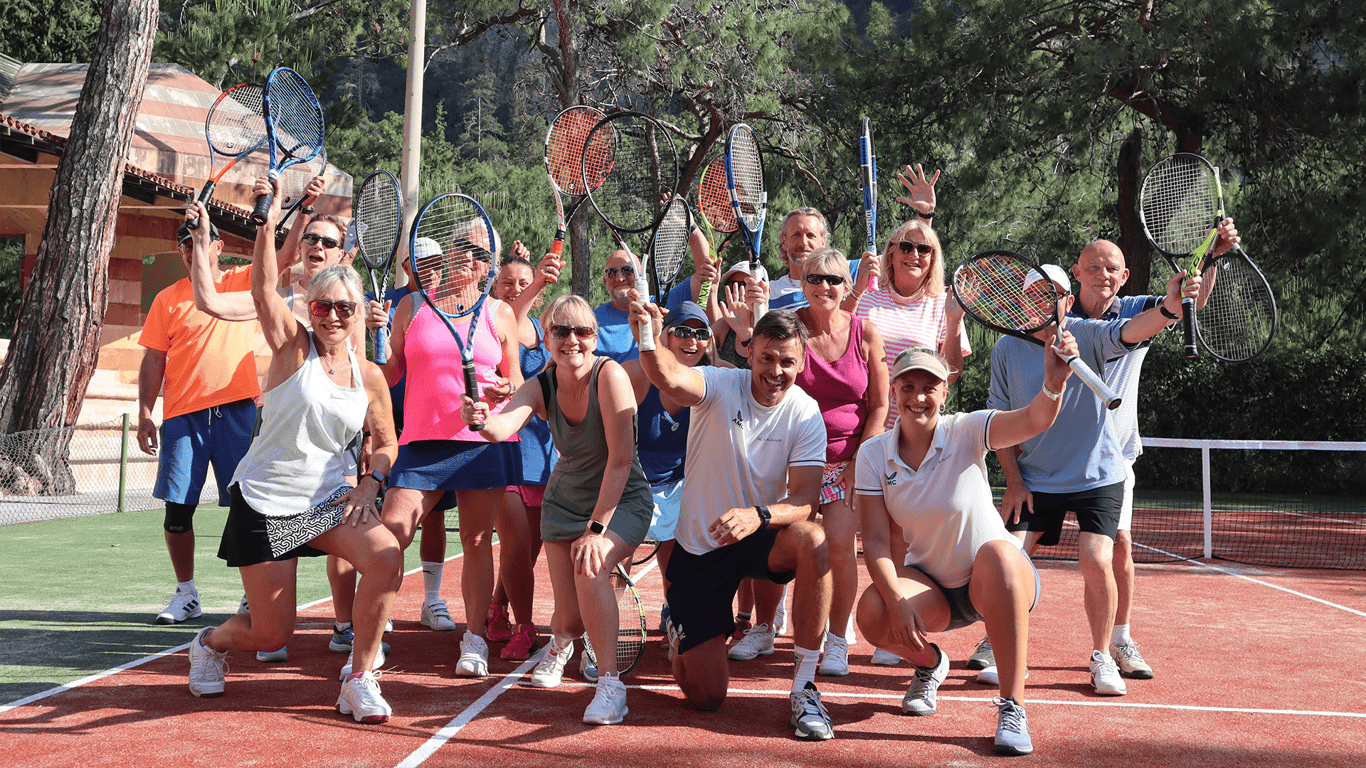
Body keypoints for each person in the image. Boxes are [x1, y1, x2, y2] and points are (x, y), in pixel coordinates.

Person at [181, 193, 402, 723]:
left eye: (343, 308)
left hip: (325, 502)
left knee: (386, 555)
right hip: (266, 503)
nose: (331, 316)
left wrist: (371, 482)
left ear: (355, 315)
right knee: (271, 634)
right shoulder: (292, 347)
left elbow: (387, 441)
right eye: (322, 306)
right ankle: (210, 643)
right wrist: (269, 223)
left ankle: (359, 676)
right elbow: (261, 289)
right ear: (311, 308)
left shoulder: (368, 374)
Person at [988, 260, 1200, 697]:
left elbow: (1131, 330)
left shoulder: (1085, 334)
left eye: (1054, 295)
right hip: (1035, 478)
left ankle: (1103, 654)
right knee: (1008, 560)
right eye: (1034, 294)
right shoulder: (1006, 350)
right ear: (1023, 299)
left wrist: (1170, 309)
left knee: (1097, 559)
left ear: (1067, 301)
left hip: (1098, 473)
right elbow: (1001, 422)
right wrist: (1013, 481)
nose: (1043, 302)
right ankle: (1001, 644)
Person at [854, 343, 1077, 756]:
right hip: (934, 588)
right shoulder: (872, 455)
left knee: (1000, 554)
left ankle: (1013, 707)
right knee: (871, 611)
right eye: (908, 385)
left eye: (929, 386)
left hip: (998, 579)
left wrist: (1053, 383)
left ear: (944, 392)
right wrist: (894, 599)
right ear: (896, 390)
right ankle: (929, 664)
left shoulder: (967, 429)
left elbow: (1035, 419)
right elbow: (876, 541)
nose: (918, 396)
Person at [633, 305, 836, 741]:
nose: (776, 370)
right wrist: (648, 338)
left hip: (757, 534)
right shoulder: (720, 385)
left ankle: (804, 686)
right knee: (707, 698)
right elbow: (668, 377)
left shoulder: (805, 412)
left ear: (801, 362)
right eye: (767, 358)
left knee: (814, 540)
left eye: (787, 361)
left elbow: (805, 500)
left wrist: (760, 515)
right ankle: (682, 638)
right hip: (701, 549)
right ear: (749, 355)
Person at [460, 294, 653, 725]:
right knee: (569, 616)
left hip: (621, 499)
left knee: (591, 567)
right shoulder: (541, 384)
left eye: (582, 331)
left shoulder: (611, 375)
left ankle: (610, 686)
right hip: (564, 504)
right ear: (546, 338)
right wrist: (478, 417)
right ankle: (560, 642)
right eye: (561, 331)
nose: (572, 340)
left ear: (595, 336)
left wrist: (597, 529)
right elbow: (500, 427)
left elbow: (621, 461)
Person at [1066, 222, 1240, 681]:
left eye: (1112, 268)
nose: (1103, 274)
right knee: (1015, 548)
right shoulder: (1058, 318)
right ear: (1076, 273)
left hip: (1115, 458)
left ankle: (1119, 639)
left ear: (1124, 277)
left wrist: (1213, 258)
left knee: (1119, 546)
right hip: (1055, 457)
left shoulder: (1137, 307)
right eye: (1094, 267)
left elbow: (1187, 301)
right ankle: (996, 633)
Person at [374, 220, 524, 678]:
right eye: (462, 246)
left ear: (489, 268)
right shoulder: (411, 306)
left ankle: (474, 639)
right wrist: (376, 341)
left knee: (478, 541)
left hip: (481, 443)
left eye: (481, 254)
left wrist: (501, 393)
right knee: (389, 535)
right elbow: (390, 375)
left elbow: (516, 381)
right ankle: (372, 636)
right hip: (420, 442)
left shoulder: (501, 313)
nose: (469, 257)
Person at [848, 164, 967, 667]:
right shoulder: (868, 296)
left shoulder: (941, 305)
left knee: (902, 533)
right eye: (906, 246)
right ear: (890, 253)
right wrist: (855, 288)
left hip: (921, 438)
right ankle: (855, 626)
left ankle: (899, 623)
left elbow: (952, 370)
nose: (915, 254)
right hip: (868, 431)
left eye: (925, 249)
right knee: (863, 533)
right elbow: (836, 340)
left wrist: (927, 216)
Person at [137, 218, 260, 625]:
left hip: (238, 412)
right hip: (182, 417)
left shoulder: (241, 282)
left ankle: (252, 593)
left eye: (200, 240)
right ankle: (186, 594)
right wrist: (144, 412)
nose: (192, 248)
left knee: (246, 508)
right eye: (185, 243)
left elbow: (281, 261)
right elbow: (153, 358)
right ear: (179, 252)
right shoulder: (166, 299)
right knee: (177, 510)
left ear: (218, 245)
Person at [785, 247, 888, 676]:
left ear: (848, 287)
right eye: (814, 279)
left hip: (849, 462)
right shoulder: (790, 328)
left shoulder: (865, 333)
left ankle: (838, 640)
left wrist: (856, 465)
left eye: (833, 280)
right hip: (796, 462)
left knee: (842, 552)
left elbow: (879, 407)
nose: (823, 287)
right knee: (791, 552)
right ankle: (767, 629)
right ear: (803, 284)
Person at [482, 250, 562, 661]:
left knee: (526, 550)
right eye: (507, 282)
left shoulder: (541, 331)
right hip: (503, 448)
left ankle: (496, 609)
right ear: (494, 287)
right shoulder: (492, 324)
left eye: (521, 282)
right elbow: (508, 317)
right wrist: (536, 285)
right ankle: (526, 628)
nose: (514, 289)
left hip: (541, 455)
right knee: (515, 542)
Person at [621, 301, 715, 630]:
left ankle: (673, 614)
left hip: (681, 486)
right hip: (631, 484)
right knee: (616, 566)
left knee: (678, 570)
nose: (692, 340)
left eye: (701, 333)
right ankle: (601, 629)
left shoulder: (717, 379)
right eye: (682, 331)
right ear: (665, 336)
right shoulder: (635, 375)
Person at [593, 250, 646, 362]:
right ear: (605, 281)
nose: (619, 278)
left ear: (642, 275)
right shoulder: (591, 320)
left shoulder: (661, 304)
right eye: (611, 273)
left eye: (627, 270)